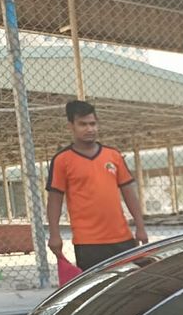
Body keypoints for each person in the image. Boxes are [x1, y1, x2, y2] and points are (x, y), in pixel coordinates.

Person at [46, 100, 148, 271]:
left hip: (122, 237)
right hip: (88, 242)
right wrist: (54, 235)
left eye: (93, 124)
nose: (90, 129)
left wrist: (140, 227)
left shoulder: (113, 155)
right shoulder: (62, 160)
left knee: (133, 282)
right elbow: (54, 200)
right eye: (83, 124)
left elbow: (129, 193)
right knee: (99, 285)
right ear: (70, 126)